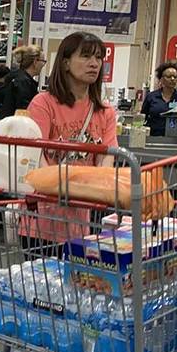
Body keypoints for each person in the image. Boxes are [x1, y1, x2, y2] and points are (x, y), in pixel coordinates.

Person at [26, 31, 118, 245]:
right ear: (66, 63)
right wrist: (62, 188)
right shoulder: (43, 104)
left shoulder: (105, 112)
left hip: (80, 222)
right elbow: (34, 153)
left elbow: (107, 158)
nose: (94, 64)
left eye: (98, 58)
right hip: (41, 219)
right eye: (85, 56)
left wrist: (94, 189)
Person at [140, 62, 177, 137]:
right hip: (153, 137)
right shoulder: (151, 97)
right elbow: (143, 117)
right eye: (169, 76)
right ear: (161, 79)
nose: (172, 79)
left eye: (175, 76)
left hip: (176, 138)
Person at [7, 44, 44, 113]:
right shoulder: (24, 83)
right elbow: (24, 110)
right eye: (43, 61)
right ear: (35, 61)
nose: (43, 64)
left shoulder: (15, 77)